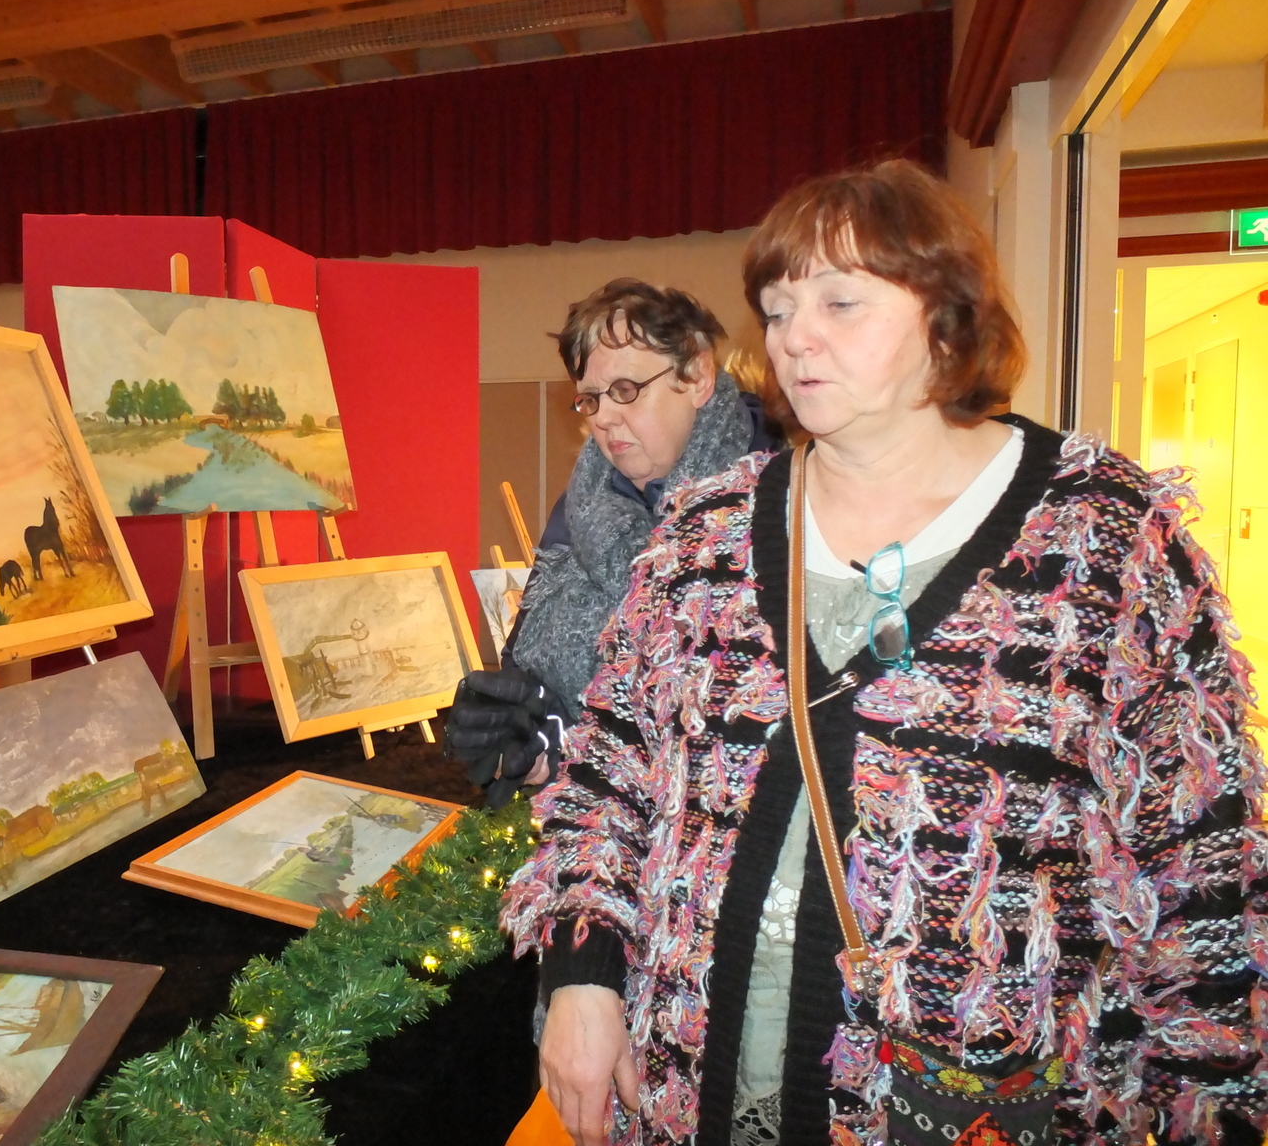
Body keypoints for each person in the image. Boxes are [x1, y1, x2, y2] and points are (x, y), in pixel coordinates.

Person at [502, 160, 1268, 1146]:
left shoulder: (1102, 542)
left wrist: (1213, 1106)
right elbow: (607, 782)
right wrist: (582, 977)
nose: (793, 338)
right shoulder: (703, 537)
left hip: (974, 1107)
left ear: (945, 317)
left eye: (839, 301)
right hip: (691, 1093)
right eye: (778, 310)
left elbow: (1202, 864)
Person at [446, 279, 772, 807]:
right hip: (587, 825)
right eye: (591, 398)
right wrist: (529, 739)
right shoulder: (582, 505)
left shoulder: (775, 499)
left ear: (697, 376)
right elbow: (538, 677)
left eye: (624, 389)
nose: (602, 417)